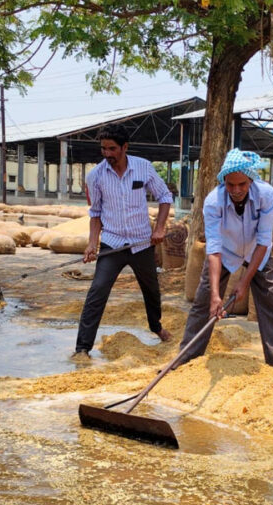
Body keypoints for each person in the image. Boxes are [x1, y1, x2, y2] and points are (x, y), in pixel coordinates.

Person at [173, 148, 273, 374]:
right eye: (230, 185)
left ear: (250, 180)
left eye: (242, 185)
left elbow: (264, 240)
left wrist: (244, 282)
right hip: (226, 252)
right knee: (203, 302)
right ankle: (185, 360)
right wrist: (216, 296)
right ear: (224, 182)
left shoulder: (266, 195)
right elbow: (214, 248)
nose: (236, 190)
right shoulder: (213, 202)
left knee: (272, 303)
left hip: (257, 252)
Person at [74, 123, 173, 358]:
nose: (107, 154)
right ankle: (82, 348)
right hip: (113, 244)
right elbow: (96, 213)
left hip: (141, 243)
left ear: (124, 147)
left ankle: (156, 327)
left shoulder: (143, 168)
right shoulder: (96, 176)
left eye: (112, 148)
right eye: (103, 149)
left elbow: (165, 196)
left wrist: (159, 228)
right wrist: (91, 244)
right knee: (97, 290)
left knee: (151, 291)